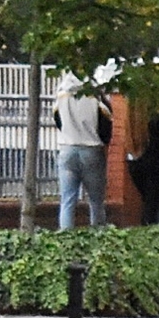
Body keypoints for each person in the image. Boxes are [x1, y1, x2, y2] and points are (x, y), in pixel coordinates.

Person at [53, 75, 109, 230]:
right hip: (91, 149)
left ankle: (65, 238)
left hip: (67, 149)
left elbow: (57, 119)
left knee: (67, 200)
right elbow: (106, 122)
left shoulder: (62, 91)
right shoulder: (93, 92)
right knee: (96, 201)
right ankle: (98, 236)